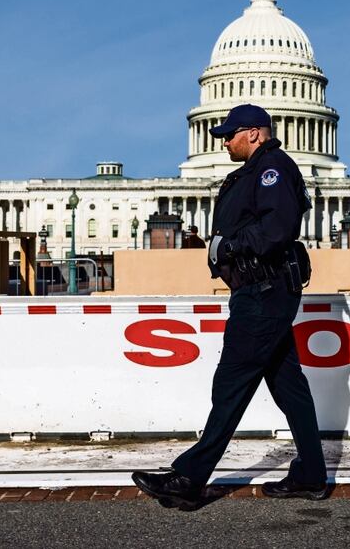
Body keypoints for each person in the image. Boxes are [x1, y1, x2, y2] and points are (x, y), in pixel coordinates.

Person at [132, 104, 328, 508]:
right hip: (261, 290)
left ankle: (189, 477)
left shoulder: (272, 169)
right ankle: (311, 474)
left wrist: (233, 245)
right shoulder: (255, 171)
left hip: (263, 291)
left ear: (255, 133)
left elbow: (277, 227)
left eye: (230, 133)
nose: (223, 140)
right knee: (290, 389)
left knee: (231, 384)